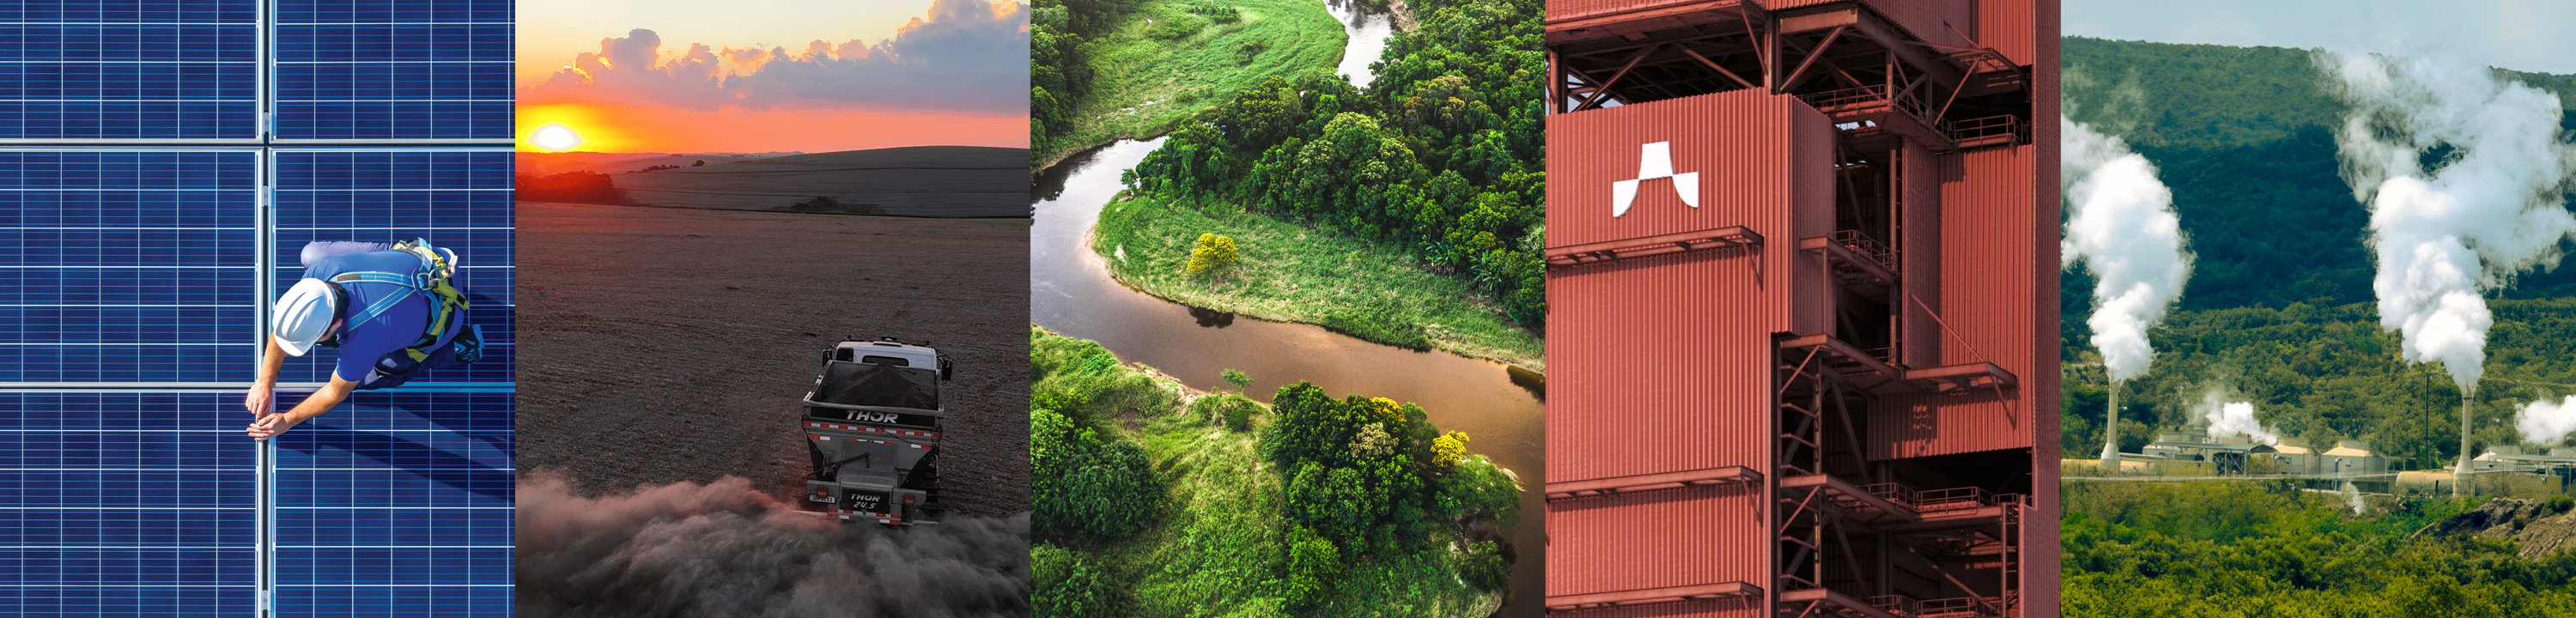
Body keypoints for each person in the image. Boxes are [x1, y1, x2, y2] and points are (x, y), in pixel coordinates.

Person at [245, 239, 483, 440]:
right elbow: (284, 331)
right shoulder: (320, 274)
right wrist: (264, 382)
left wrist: (288, 419)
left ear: (337, 325)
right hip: (430, 259)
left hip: (447, 314)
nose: (316, 345)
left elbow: (334, 393)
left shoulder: (362, 343)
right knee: (310, 253)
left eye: (317, 340)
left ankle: (457, 348)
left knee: (372, 376)